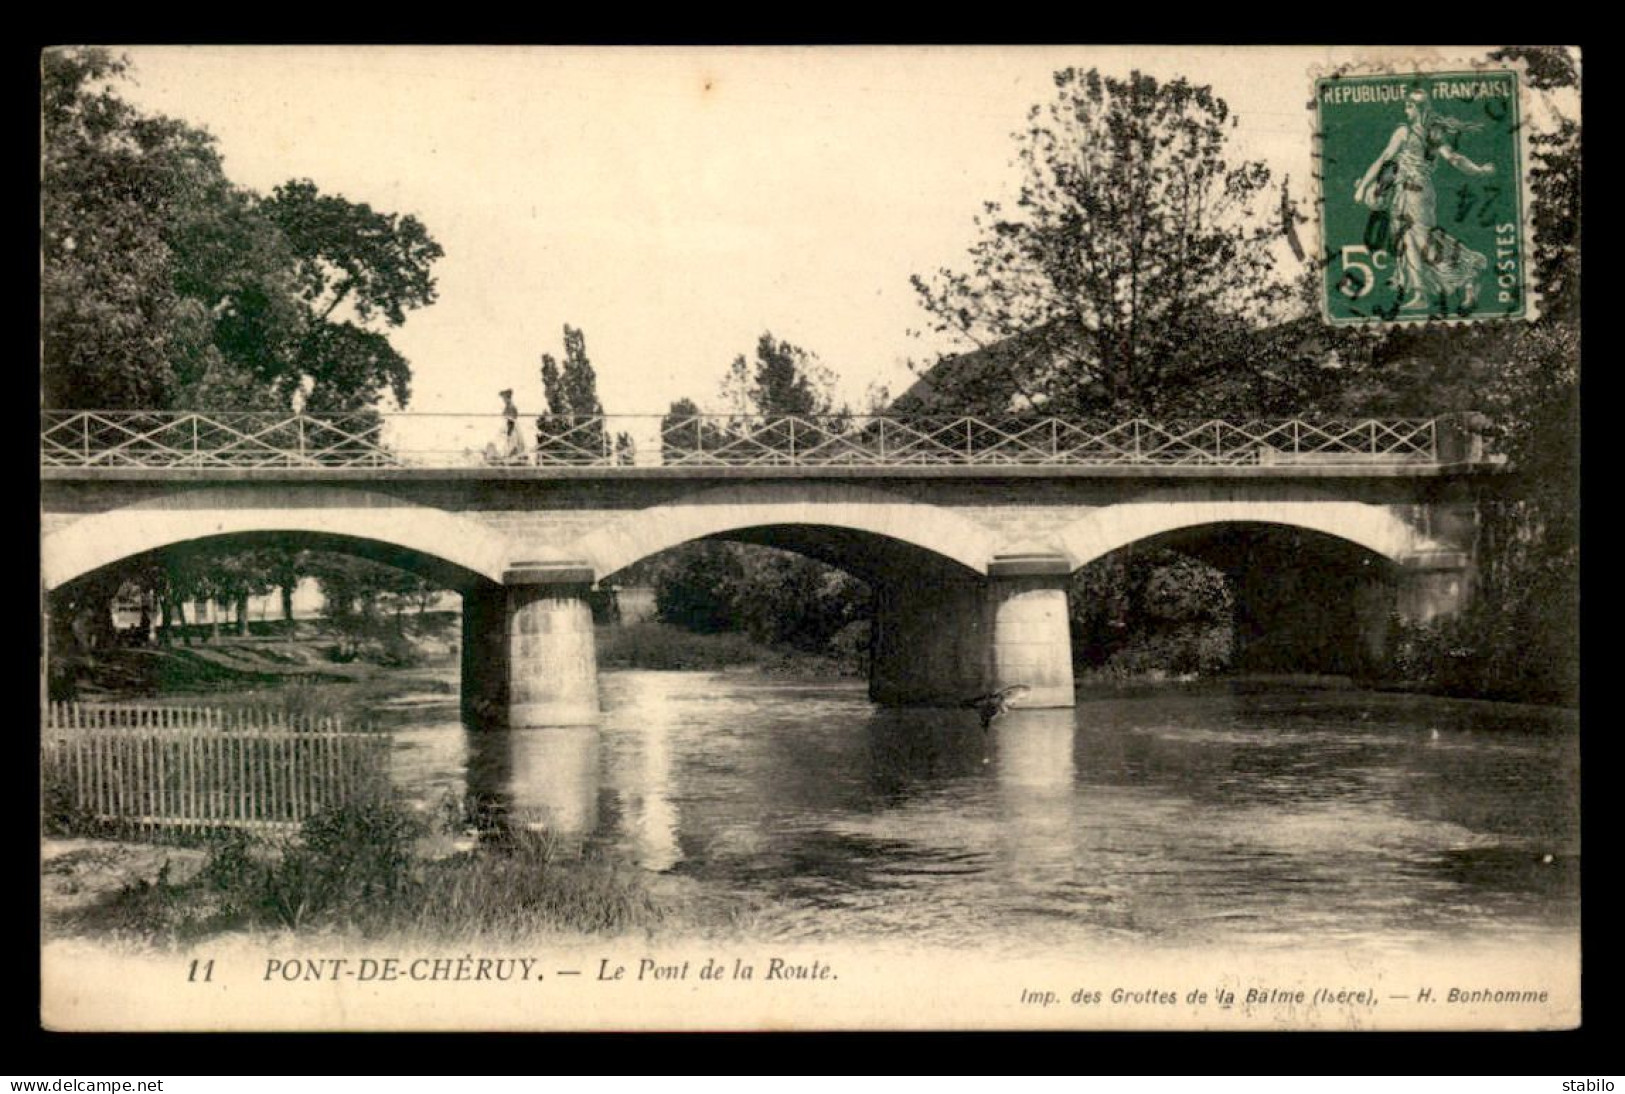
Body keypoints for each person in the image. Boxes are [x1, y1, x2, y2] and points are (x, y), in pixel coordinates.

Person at [1353, 89, 1495, 310]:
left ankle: (1469, 275)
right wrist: (1479, 170)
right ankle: (1420, 294)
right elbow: (1455, 159)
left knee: (1423, 243)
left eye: (1408, 106)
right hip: (1410, 193)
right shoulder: (1434, 133)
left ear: (1416, 108)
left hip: (1415, 195)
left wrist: (1362, 187)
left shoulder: (1405, 132)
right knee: (1407, 242)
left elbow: (1383, 159)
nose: (1405, 110)